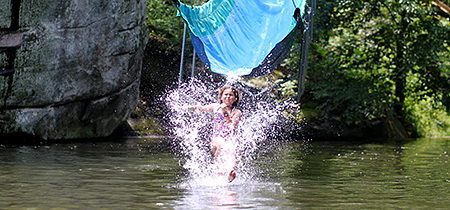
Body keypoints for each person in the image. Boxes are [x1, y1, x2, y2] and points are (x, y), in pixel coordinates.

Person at [179, 85, 242, 182]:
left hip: (230, 138)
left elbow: (231, 126)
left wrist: (225, 112)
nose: (228, 97)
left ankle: (230, 172)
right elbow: (201, 108)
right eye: (226, 94)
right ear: (221, 97)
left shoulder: (237, 112)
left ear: (235, 99)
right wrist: (186, 108)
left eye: (231, 95)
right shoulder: (215, 107)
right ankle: (219, 173)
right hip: (217, 138)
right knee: (221, 145)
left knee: (232, 150)